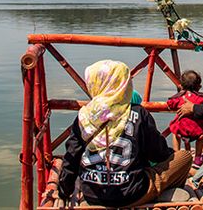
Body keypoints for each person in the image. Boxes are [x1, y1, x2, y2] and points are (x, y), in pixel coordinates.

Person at [57, 60, 192, 207]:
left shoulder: (84, 116)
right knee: (184, 156)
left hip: (93, 194)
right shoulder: (138, 113)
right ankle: (164, 194)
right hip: (133, 193)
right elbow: (159, 154)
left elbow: (71, 159)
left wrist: (64, 192)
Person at [166, 70, 203, 167]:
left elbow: (170, 103)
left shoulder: (179, 97)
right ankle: (198, 158)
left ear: (181, 85)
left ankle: (176, 154)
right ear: (198, 85)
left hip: (182, 128)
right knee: (201, 136)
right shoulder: (200, 98)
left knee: (175, 132)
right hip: (196, 128)